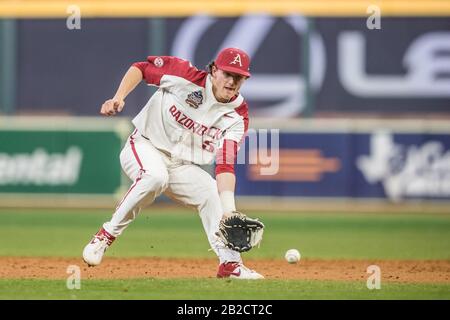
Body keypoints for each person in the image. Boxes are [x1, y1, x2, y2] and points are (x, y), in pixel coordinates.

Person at [82, 48, 263, 279]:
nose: (232, 81)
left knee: (210, 192)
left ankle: (230, 265)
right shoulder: (184, 76)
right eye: (227, 74)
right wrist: (119, 97)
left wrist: (229, 210)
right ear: (214, 70)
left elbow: (225, 163)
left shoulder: (238, 115)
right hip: (144, 146)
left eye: (238, 77)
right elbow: (141, 68)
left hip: (181, 166)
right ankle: (104, 236)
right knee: (155, 177)